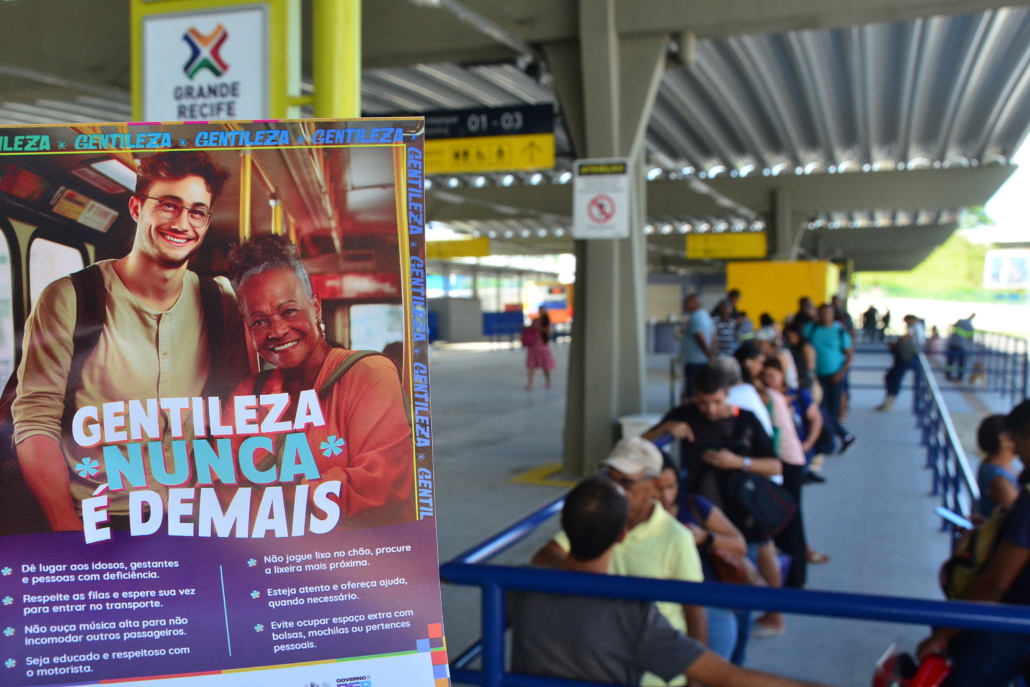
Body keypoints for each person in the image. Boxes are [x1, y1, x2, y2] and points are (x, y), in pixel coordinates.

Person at [13, 150, 249, 531]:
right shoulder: (70, 299)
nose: (182, 223)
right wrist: (65, 526)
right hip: (97, 519)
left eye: (197, 212)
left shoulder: (220, 302)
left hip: (189, 514)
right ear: (137, 208)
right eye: (169, 205)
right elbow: (36, 422)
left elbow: (236, 407)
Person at [510, 475, 831, 687]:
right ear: (622, 536)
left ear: (564, 527)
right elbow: (729, 678)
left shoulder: (519, 588)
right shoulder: (633, 615)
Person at [226, 234, 414, 527]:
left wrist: (266, 497)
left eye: (289, 311)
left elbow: (379, 485)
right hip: (270, 552)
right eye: (259, 321)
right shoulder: (249, 394)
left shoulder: (369, 373)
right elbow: (220, 485)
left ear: (315, 307)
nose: (277, 331)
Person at [642, 365, 783, 660]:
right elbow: (642, 448)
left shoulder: (746, 420)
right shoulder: (684, 415)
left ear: (728, 394)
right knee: (700, 596)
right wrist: (665, 429)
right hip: (699, 521)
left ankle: (735, 667)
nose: (710, 409)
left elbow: (775, 465)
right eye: (703, 402)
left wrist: (739, 463)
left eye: (717, 401)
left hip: (741, 522)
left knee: (739, 601)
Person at [531, 437, 710, 664]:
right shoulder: (597, 518)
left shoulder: (676, 538)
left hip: (652, 666)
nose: (615, 490)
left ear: (653, 485)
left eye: (627, 483)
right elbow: (544, 557)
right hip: (601, 657)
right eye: (610, 479)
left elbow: (695, 612)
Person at [916, 401, 1030, 686]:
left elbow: (996, 583)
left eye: (1018, 442)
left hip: (1016, 623)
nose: (1017, 453)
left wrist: (944, 634)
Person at [656, 454, 747, 661]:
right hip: (663, 611)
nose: (667, 495)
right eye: (659, 488)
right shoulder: (636, 520)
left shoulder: (695, 506)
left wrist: (706, 538)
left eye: (671, 486)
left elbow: (739, 545)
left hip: (711, 605)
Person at [806, 304, 856, 454]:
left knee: (831, 410)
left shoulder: (839, 331)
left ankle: (834, 440)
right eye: (822, 313)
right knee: (821, 408)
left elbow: (849, 355)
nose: (825, 316)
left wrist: (841, 373)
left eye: (828, 313)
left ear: (833, 314)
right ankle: (841, 437)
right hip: (817, 375)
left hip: (835, 375)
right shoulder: (811, 329)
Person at [975, 414, 1020, 518]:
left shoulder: (998, 465)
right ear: (1003, 439)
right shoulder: (998, 480)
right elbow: (1020, 515)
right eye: (1016, 434)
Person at [874, 315, 922, 412]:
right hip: (905, 356)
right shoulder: (918, 327)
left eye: (906, 322)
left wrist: (896, 343)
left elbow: (907, 337)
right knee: (892, 377)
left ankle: (889, 402)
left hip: (905, 356)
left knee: (895, 378)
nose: (906, 324)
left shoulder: (914, 327)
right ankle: (889, 401)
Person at [679, 293, 715, 400]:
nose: (684, 305)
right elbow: (713, 336)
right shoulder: (705, 315)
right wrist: (711, 355)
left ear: (694, 303)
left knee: (693, 390)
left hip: (694, 361)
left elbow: (700, 337)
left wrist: (708, 353)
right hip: (703, 360)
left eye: (686, 303)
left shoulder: (695, 317)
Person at [524, 305, 556, 390]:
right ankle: (530, 384)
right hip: (533, 346)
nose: (541, 311)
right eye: (540, 310)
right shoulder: (535, 320)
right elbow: (530, 328)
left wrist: (538, 327)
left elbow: (548, 330)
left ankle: (548, 382)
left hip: (543, 346)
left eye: (543, 310)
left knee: (546, 366)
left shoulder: (547, 321)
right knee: (531, 366)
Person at [946, 314, 976, 382]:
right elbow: (970, 338)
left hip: (953, 343)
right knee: (961, 363)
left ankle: (948, 375)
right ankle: (960, 377)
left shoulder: (960, 321)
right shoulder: (970, 326)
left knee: (950, 361)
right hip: (962, 346)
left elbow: (953, 327)